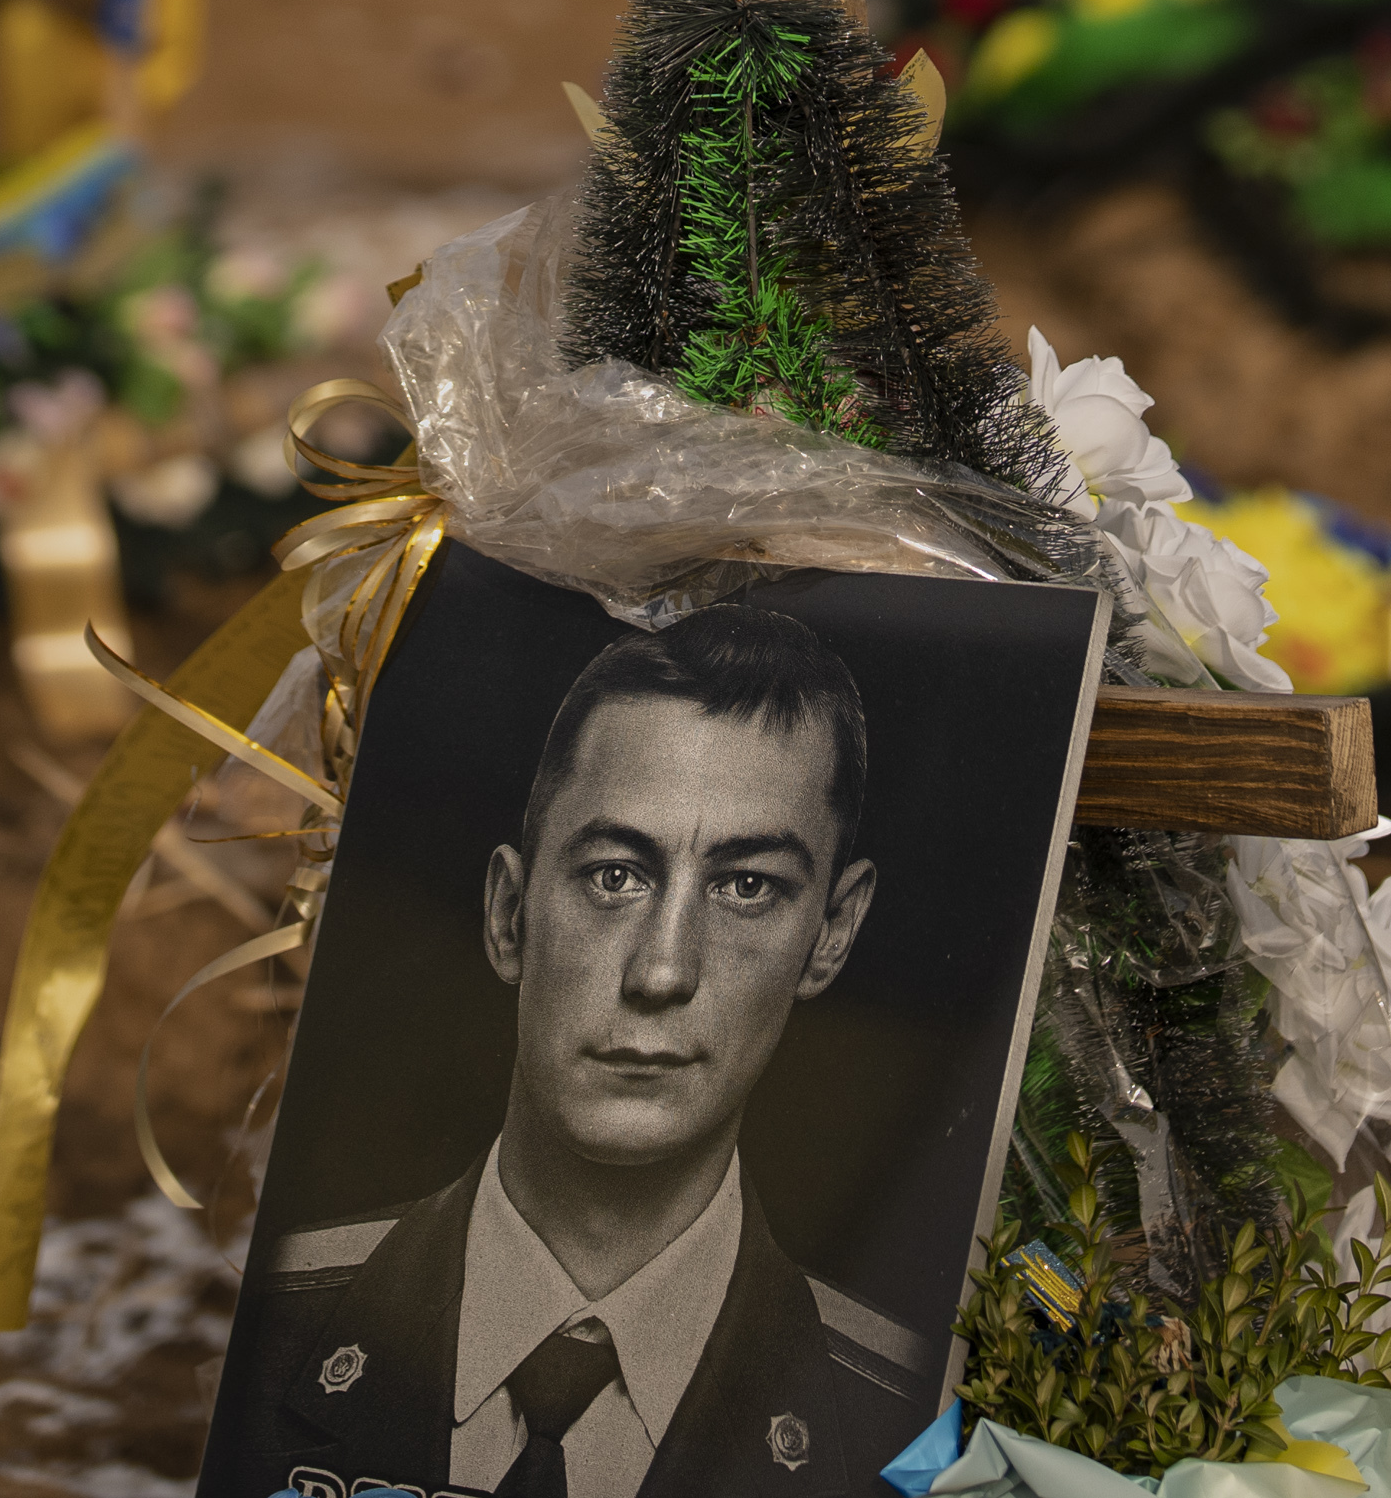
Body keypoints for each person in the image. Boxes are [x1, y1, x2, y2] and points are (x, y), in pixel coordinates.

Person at [242, 606, 933, 1498]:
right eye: (615, 874)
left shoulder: (904, 1420)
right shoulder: (265, 1321)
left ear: (831, 935)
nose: (661, 969)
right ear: (507, 914)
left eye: (746, 886)